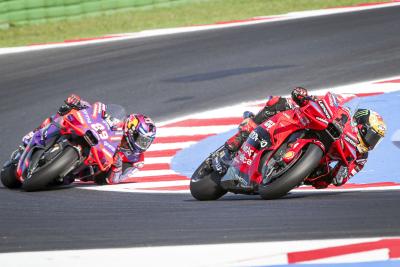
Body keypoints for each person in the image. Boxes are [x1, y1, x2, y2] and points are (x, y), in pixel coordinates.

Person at [222, 87, 387, 188]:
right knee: (279, 103)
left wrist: (342, 171)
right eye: (372, 136)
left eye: (376, 139)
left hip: (318, 164)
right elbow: (324, 103)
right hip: (309, 125)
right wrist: (305, 98)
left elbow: (339, 180)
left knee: (322, 181)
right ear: (361, 126)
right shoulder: (344, 113)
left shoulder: (360, 157)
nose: (372, 143)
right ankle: (243, 134)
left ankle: (289, 175)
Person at [21, 94, 156, 185]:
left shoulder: (137, 160)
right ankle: (35, 134)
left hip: (91, 171)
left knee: (64, 181)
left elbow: (115, 180)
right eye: (141, 139)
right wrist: (79, 103)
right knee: (64, 114)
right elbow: (95, 112)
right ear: (131, 129)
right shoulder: (117, 122)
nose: (142, 145)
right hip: (92, 137)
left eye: (146, 142)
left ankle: (57, 171)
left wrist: (117, 166)